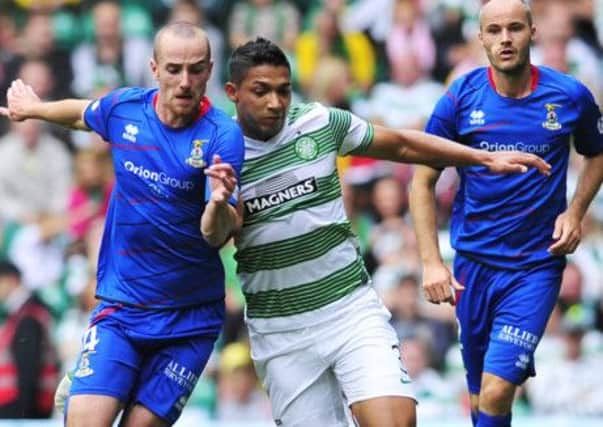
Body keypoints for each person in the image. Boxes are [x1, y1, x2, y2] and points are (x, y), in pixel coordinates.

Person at [224, 37, 550, 427]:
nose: (276, 103)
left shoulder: (320, 123)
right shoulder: (221, 151)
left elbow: (403, 144)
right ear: (234, 92)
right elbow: (214, 235)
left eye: (283, 90)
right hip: (280, 329)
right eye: (261, 91)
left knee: (396, 422)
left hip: (348, 309)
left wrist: (482, 158)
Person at [0, 22, 244, 427]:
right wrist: (36, 109)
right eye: (173, 69)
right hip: (123, 308)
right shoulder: (126, 109)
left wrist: (219, 203)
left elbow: (215, 235)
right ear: (154, 68)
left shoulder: (222, 136)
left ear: (210, 69)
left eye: (196, 70)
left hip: (189, 320)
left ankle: (98, 381)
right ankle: (92, 381)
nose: (185, 81)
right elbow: (82, 113)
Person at [409, 1, 603, 426]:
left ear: (532, 32)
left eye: (514, 28)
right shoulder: (461, 98)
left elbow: (598, 153)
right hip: (473, 267)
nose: (504, 39)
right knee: (480, 399)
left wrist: (575, 212)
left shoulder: (568, 95)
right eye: (493, 30)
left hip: (535, 266)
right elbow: (421, 181)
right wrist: (430, 262)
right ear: (480, 39)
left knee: (498, 392)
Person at [0, 259, 60, 419]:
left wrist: (24, 415)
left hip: (22, 409)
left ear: (10, 279)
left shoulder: (28, 316)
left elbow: (28, 370)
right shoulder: (24, 313)